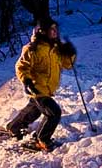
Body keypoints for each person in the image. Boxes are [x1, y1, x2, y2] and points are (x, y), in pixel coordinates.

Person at [5, 16, 77, 151]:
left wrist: (70, 53)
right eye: (52, 30)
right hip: (37, 87)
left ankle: (14, 127)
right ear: (42, 31)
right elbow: (21, 67)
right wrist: (26, 80)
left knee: (34, 111)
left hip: (48, 88)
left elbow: (67, 65)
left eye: (56, 29)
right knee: (53, 112)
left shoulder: (56, 49)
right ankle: (41, 139)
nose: (55, 32)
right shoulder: (32, 49)